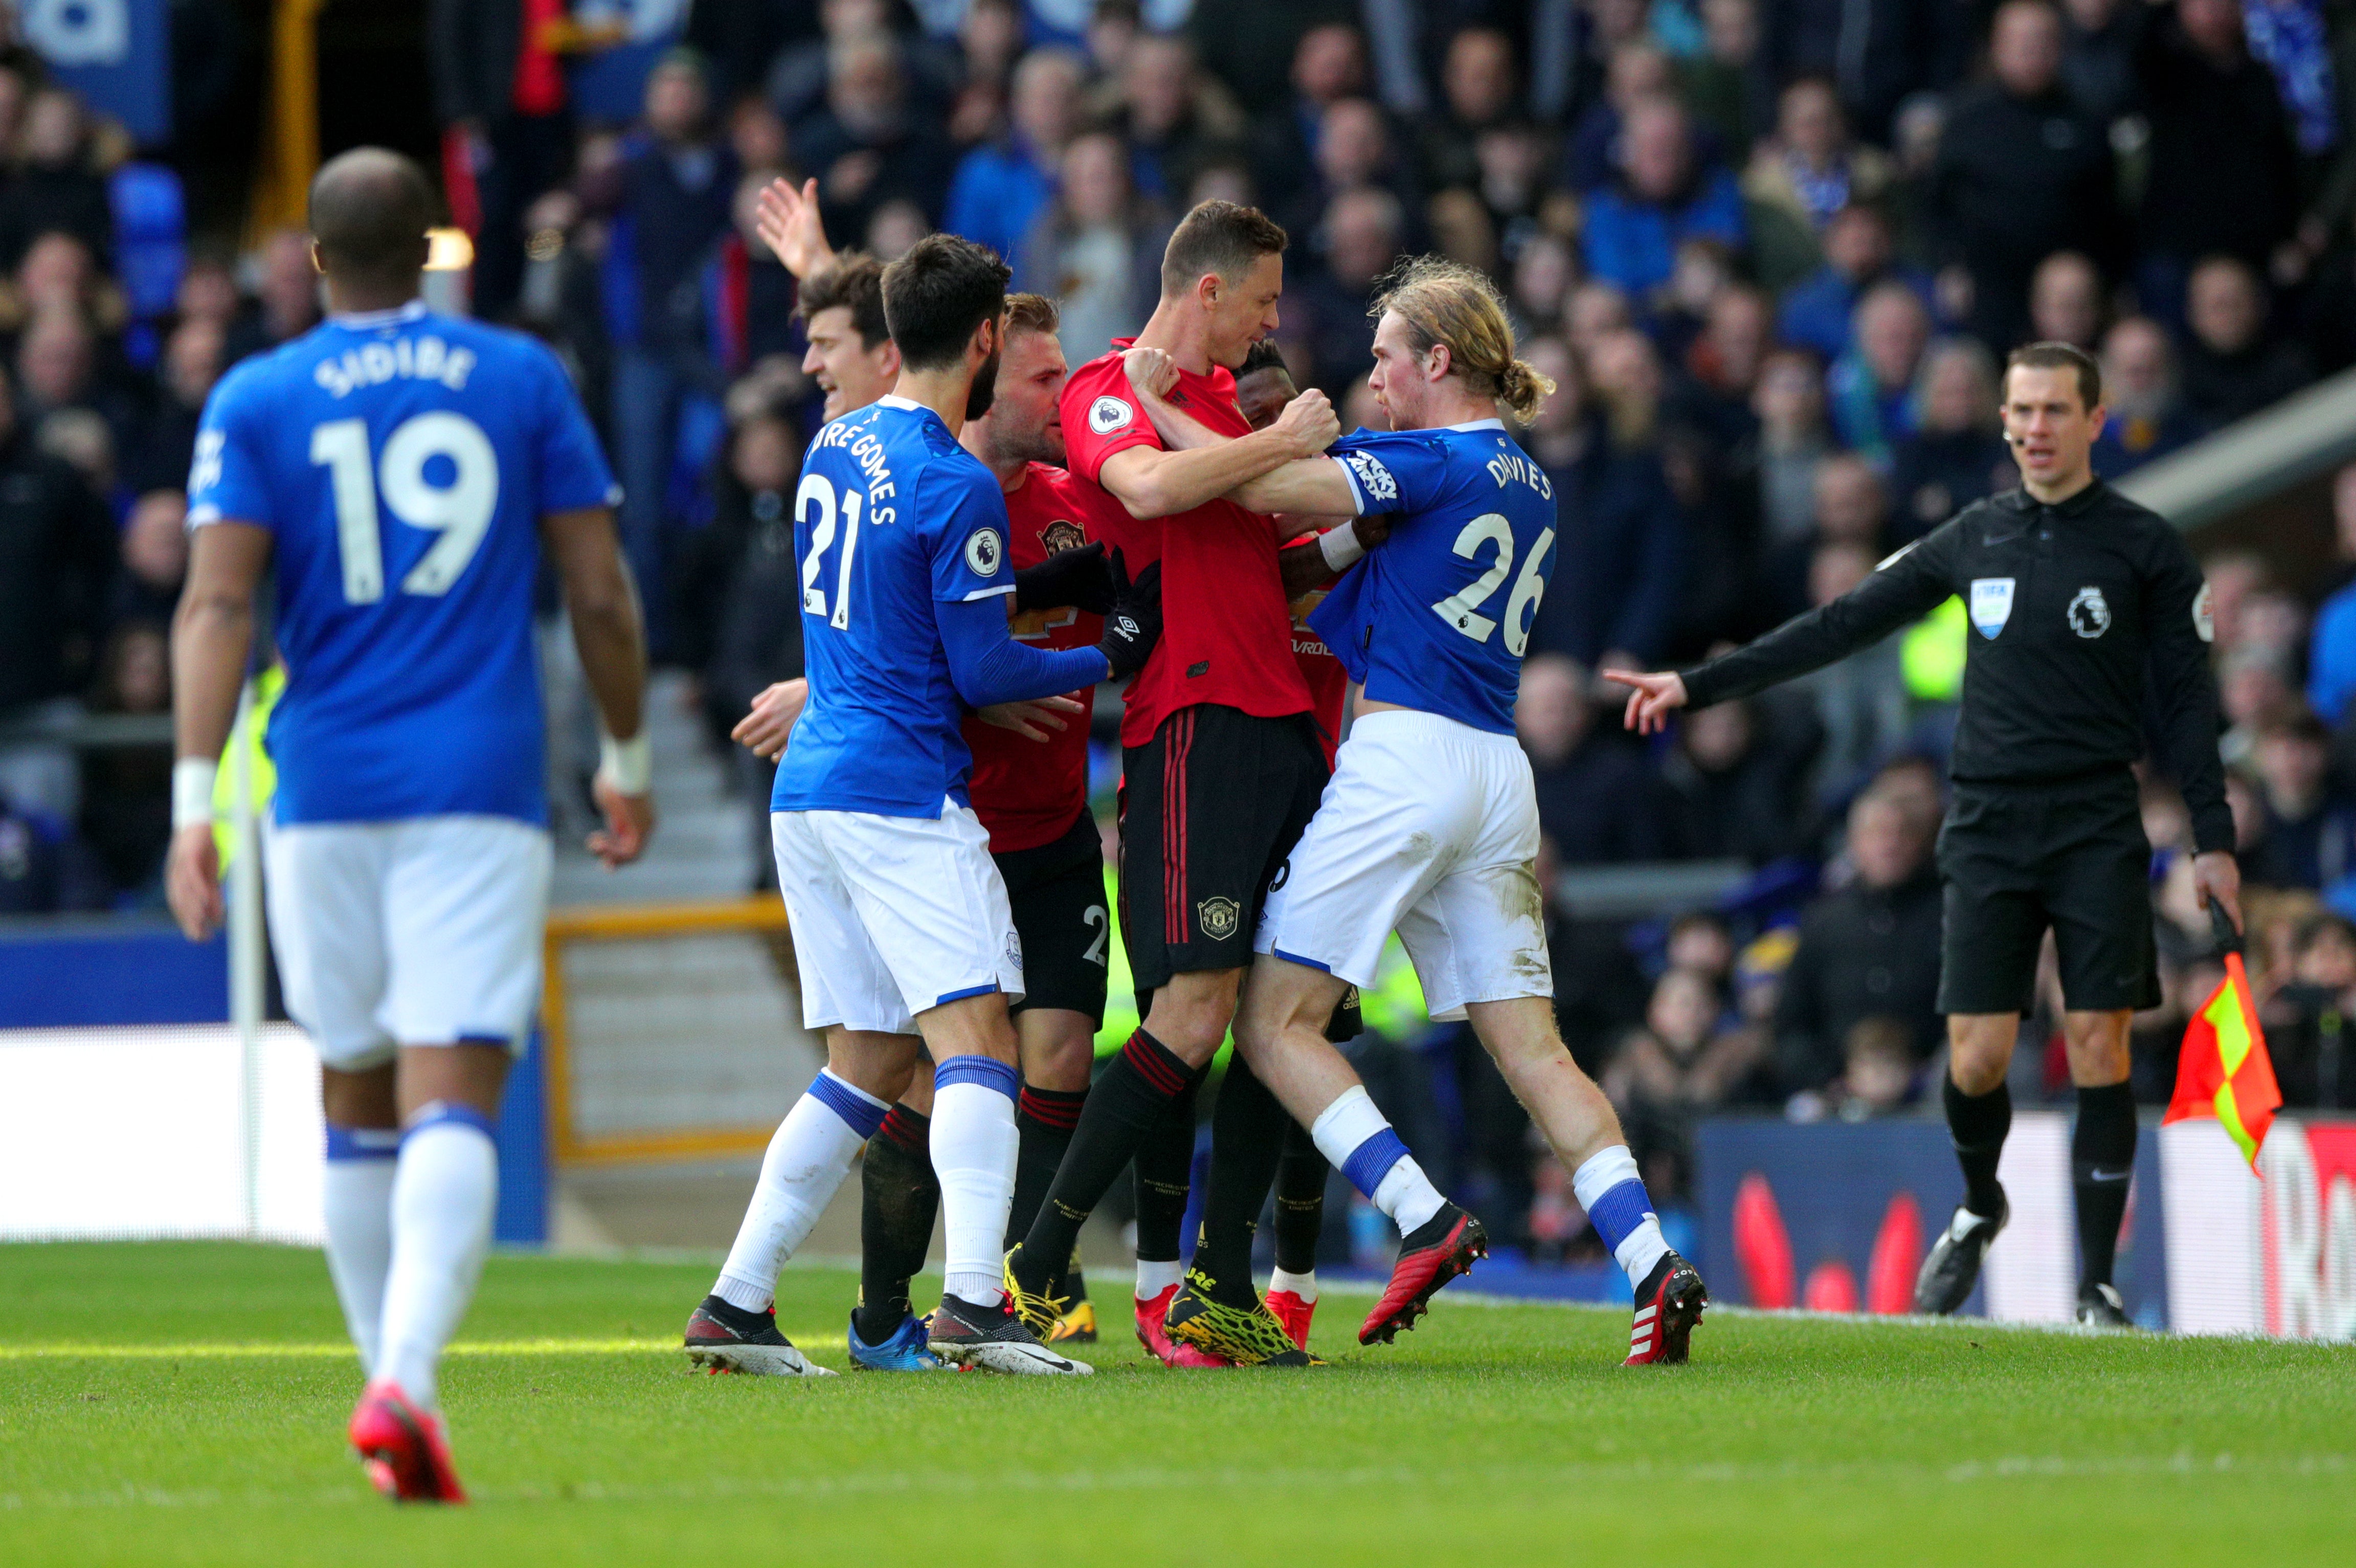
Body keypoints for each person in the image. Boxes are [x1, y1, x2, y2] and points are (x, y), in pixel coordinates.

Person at [165, 149, 655, 1503]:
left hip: (312, 788)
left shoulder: (256, 395)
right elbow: (600, 595)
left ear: (316, 263)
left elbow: (213, 607)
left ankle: (384, 1389)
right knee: (455, 1092)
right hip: (475, 781)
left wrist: (189, 802)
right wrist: (625, 752)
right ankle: (407, 1383)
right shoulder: (519, 375)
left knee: (355, 1092)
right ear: (433, 256)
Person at [1119, 257, 1713, 1367]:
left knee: (1272, 1022)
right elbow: (1328, 577)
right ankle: (1651, 1262)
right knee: (1534, 1051)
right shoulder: (1530, 479)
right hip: (1498, 772)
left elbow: (1256, 491)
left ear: (1440, 360)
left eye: (1390, 354)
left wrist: (1156, 407)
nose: (1375, 376)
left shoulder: (1434, 457)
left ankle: (1421, 1217)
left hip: (1406, 758)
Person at [1608, 340, 2239, 1329]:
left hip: (2095, 823)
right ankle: (1981, 1202)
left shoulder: (2144, 546)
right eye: (2020, 410)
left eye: (2054, 411)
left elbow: (2191, 705)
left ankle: (2096, 1284)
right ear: (2003, 421)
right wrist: (1697, 684)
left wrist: (2214, 839)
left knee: (2095, 1039)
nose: (2035, 428)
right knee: (1978, 1057)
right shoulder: (1972, 536)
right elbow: (1841, 623)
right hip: (1986, 823)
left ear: (2094, 420)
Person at [678, 233, 1163, 1380]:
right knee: (980, 1042)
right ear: (987, 338)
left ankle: (737, 1302)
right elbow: (986, 669)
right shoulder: (952, 480)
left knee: (863, 1061)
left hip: (809, 798)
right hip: (899, 792)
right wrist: (1108, 651)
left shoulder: (833, 443)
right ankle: (973, 1306)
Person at [996, 199, 1344, 1368]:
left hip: (1287, 729)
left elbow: (1274, 544)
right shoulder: (1110, 386)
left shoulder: (1209, 410)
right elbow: (1145, 492)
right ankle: (1033, 1263)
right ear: (1207, 290)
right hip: (1195, 723)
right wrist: (1287, 441)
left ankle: (1218, 1286)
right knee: (1189, 1013)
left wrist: (1378, 512)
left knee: (1273, 1020)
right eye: (1261, 300)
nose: (1270, 321)